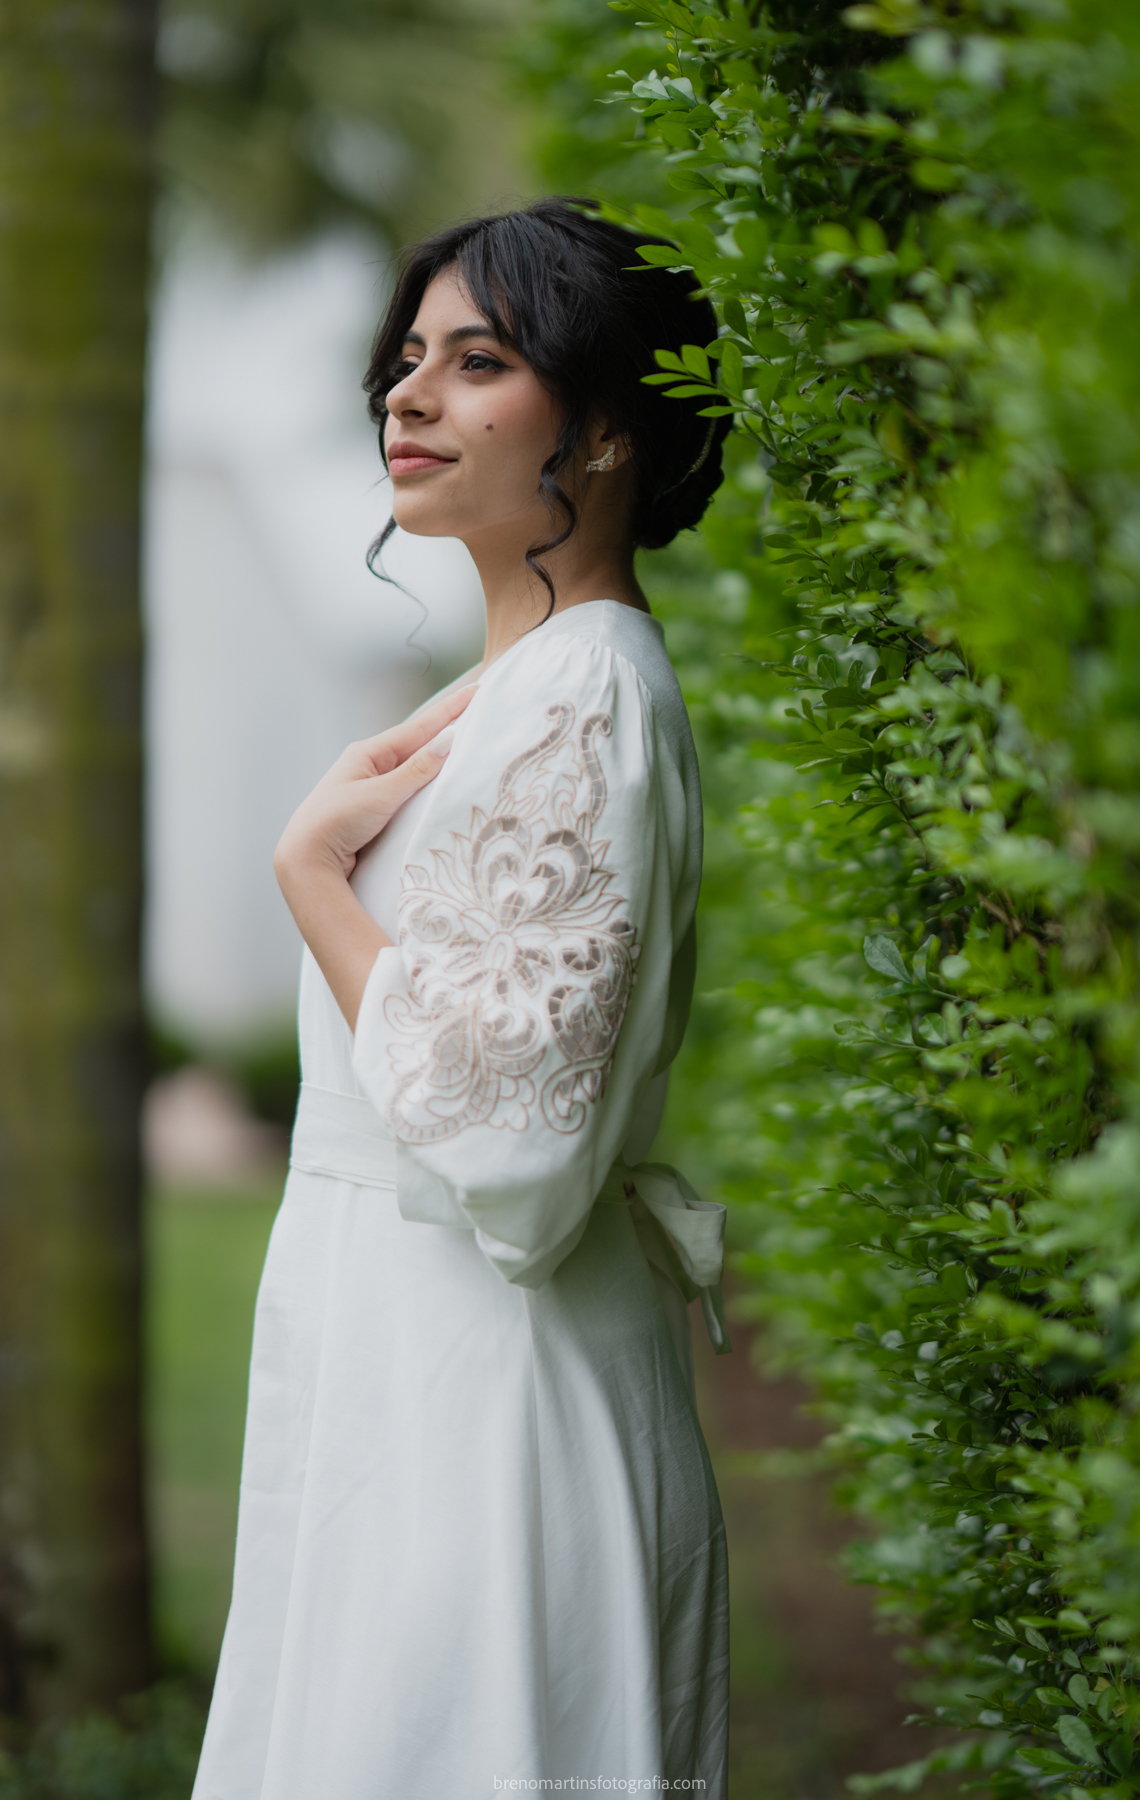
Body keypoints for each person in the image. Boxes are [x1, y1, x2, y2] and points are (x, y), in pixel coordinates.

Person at [192, 198, 734, 1800]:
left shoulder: (579, 693)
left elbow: (510, 1147)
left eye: (477, 362)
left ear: (615, 425)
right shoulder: (524, 684)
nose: (406, 397)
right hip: (411, 1360)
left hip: (481, 1400)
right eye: (406, 359)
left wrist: (311, 877)